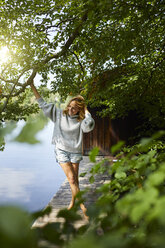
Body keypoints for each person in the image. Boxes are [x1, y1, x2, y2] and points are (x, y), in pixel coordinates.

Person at [30, 81, 95, 219]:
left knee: (74, 180)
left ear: (79, 110)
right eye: (70, 106)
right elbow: (43, 103)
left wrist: (87, 112)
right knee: (71, 179)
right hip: (62, 150)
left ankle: (72, 202)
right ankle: (83, 208)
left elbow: (88, 126)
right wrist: (32, 86)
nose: (71, 110)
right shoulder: (59, 115)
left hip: (75, 151)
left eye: (75, 108)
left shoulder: (80, 120)